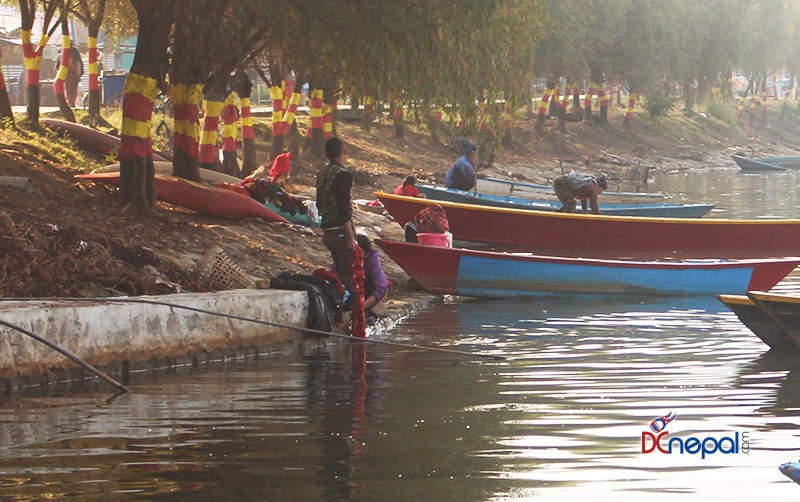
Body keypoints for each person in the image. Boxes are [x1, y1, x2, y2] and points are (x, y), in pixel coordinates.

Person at [316, 137, 357, 306]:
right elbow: (343, 208)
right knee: (348, 273)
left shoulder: (323, 173)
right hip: (340, 229)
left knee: (339, 269)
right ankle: (347, 308)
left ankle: (340, 302)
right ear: (343, 152)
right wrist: (350, 238)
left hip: (327, 227)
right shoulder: (342, 175)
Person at [356, 234, 389, 324]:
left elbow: (380, 288)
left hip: (367, 291)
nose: (355, 254)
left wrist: (362, 307)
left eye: (359, 251)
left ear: (366, 254)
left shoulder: (371, 261)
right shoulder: (344, 259)